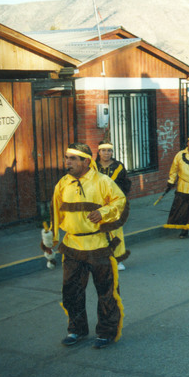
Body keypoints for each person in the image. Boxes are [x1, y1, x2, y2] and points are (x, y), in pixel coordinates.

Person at [41, 143, 126, 349]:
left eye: (72, 158)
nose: (67, 162)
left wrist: (103, 213)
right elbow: (55, 213)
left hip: (99, 245)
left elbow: (120, 201)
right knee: (71, 291)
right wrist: (50, 242)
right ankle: (76, 330)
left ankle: (106, 332)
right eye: (66, 158)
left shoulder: (103, 181)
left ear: (86, 161)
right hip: (72, 246)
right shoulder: (62, 184)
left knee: (106, 292)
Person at [96, 141, 131, 271]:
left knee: (115, 231)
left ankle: (117, 259)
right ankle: (100, 259)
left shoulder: (119, 167)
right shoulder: (92, 166)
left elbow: (125, 184)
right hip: (97, 204)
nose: (107, 153)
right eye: (104, 150)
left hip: (114, 205)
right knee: (98, 232)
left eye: (109, 151)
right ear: (99, 152)